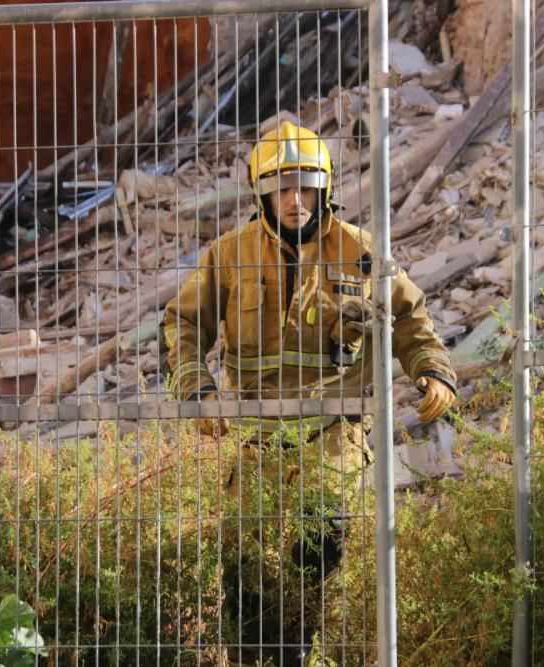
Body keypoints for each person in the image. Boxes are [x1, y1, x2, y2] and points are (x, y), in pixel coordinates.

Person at [164, 120, 457, 664]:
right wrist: (196, 390)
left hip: (332, 440)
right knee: (246, 574)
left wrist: (433, 370)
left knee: (319, 554)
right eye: (282, 186)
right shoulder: (229, 256)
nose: (295, 199)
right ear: (261, 192)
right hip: (257, 446)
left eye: (306, 185)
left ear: (324, 188)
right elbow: (182, 323)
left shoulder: (362, 252)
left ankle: (304, 654)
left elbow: (411, 318)